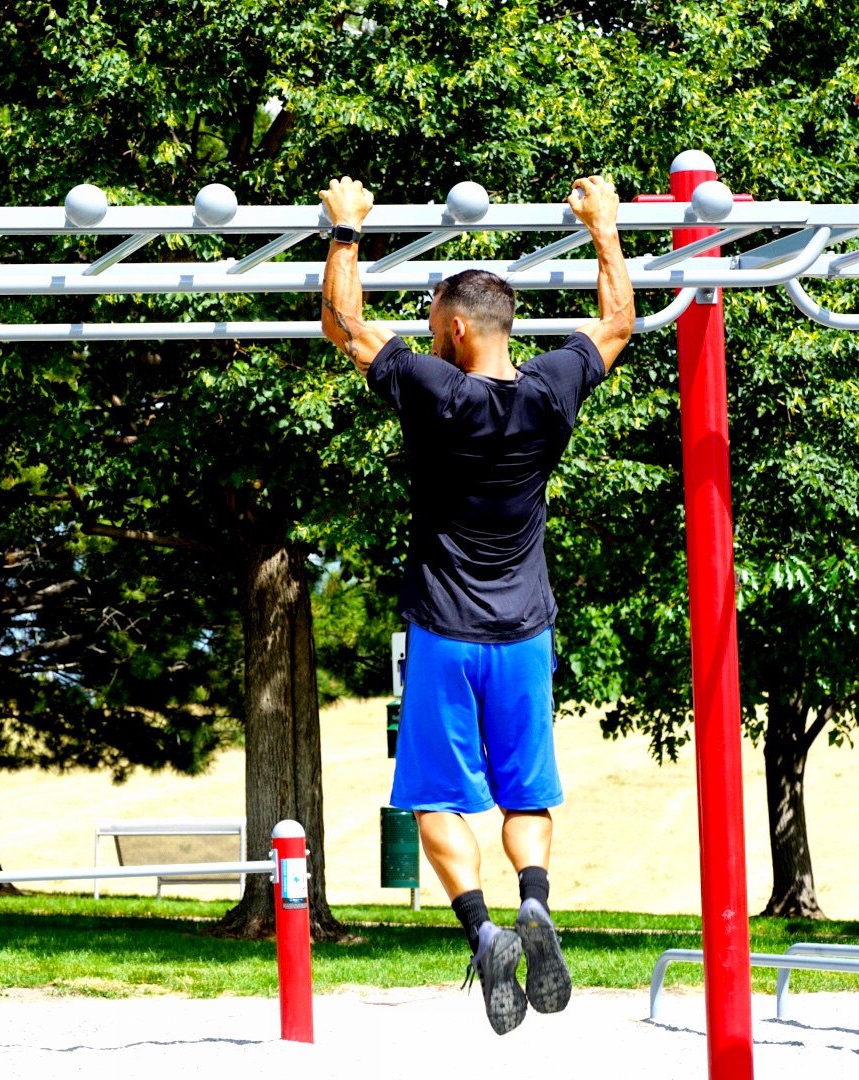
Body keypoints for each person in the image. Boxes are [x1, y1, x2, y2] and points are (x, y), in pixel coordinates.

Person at [317, 174, 634, 1035]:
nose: (423, 337)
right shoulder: (548, 393)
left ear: (455, 330)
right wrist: (603, 226)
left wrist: (346, 229)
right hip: (525, 631)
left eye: (428, 328)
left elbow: (341, 323)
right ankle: (534, 901)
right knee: (525, 795)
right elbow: (617, 323)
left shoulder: (434, 389)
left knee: (435, 799)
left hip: (446, 634)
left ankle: (485, 928)